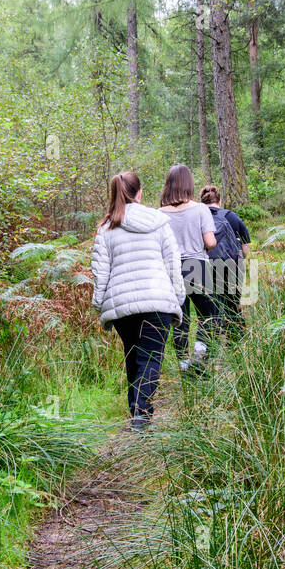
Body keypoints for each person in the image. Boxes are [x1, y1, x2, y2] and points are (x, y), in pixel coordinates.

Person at [91, 171, 185, 429]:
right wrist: (178, 297)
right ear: (140, 193)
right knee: (151, 357)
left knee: (133, 355)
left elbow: (100, 272)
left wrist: (99, 303)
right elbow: (172, 264)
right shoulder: (159, 220)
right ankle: (141, 417)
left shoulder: (107, 228)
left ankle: (136, 412)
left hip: (122, 308)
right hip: (156, 302)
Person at [158, 164, 219, 370]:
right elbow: (210, 242)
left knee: (180, 318)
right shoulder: (200, 209)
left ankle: (184, 364)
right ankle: (200, 352)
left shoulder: (159, 214)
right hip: (197, 265)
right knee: (210, 313)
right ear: (189, 184)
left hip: (171, 269)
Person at [199, 184, 250, 337]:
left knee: (209, 309)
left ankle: (210, 346)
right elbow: (246, 246)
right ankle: (235, 342)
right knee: (232, 304)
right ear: (219, 202)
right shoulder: (231, 216)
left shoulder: (198, 217)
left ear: (202, 203)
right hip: (231, 265)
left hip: (204, 268)